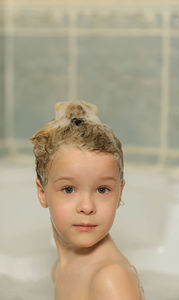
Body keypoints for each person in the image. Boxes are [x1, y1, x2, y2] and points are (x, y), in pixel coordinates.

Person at [30, 100, 145, 300]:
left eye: (102, 189)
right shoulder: (60, 267)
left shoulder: (110, 281)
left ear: (120, 193)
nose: (87, 207)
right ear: (42, 193)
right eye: (68, 189)